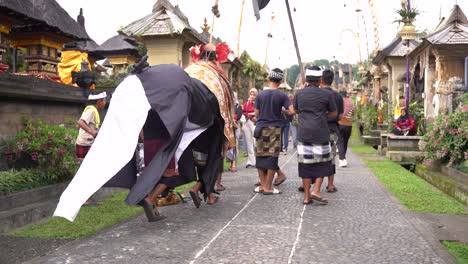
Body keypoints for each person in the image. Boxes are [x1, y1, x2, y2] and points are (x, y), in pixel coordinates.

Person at [185, 43, 235, 204]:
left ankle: (210, 195)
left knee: (200, 157)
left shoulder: (189, 71)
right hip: (212, 122)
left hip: (191, 123)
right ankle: (198, 186)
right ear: (215, 58)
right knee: (215, 157)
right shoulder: (216, 74)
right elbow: (226, 102)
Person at [293, 66, 337, 205]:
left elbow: (296, 110)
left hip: (304, 133)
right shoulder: (326, 94)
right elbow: (334, 113)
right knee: (323, 163)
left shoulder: (299, 94)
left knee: (305, 165)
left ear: (306, 79)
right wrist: (323, 115)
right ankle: (316, 190)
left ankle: (307, 197)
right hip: (321, 133)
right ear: (320, 79)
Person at [253, 68, 293, 195]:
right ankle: (268, 187)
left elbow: (256, 113)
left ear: (269, 79)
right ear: (281, 81)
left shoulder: (260, 94)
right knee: (272, 157)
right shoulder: (282, 95)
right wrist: (282, 111)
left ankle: (263, 185)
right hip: (274, 128)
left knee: (260, 156)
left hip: (260, 127)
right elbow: (292, 111)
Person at [75, 91, 107, 205]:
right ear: (99, 101)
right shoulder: (90, 111)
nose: (105, 102)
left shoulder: (94, 111)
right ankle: (84, 199)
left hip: (88, 144)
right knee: (87, 171)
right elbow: (80, 122)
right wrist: (92, 132)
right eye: (104, 100)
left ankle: (87, 198)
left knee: (90, 171)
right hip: (84, 145)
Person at [320, 69, 343, 193]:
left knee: (314, 155)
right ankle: (330, 184)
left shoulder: (317, 93)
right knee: (331, 156)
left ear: (321, 79)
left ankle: (309, 182)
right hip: (332, 129)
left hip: (316, 129)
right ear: (332, 80)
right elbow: (340, 116)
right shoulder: (337, 95)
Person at [337, 91, 354, 167]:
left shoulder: (340, 101)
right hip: (349, 124)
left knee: (340, 141)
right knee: (345, 142)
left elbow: (338, 112)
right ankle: (343, 157)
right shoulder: (351, 102)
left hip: (341, 123)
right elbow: (353, 113)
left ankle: (342, 159)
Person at [242, 88, 258, 168]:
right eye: (251, 94)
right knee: (249, 143)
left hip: (254, 123)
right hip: (247, 122)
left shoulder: (257, 103)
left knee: (255, 142)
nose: (252, 96)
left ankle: (258, 160)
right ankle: (251, 161)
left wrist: (251, 114)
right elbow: (243, 111)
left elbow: (257, 112)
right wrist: (249, 114)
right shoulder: (247, 103)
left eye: (253, 94)